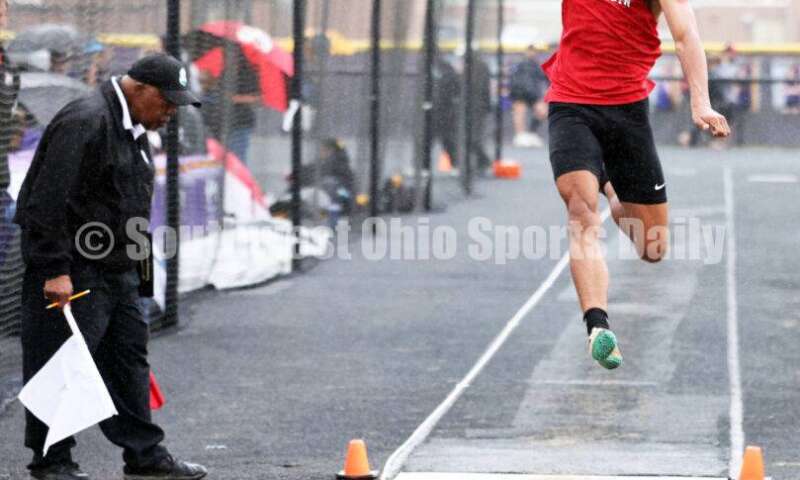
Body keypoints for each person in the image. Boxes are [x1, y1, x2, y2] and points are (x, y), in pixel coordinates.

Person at [14, 54, 207, 480]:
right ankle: (51, 462)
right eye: (167, 102)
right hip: (76, 271)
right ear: (139, 89)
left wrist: (143, 277)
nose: (172, 112)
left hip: (117, 271)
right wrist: (53, 270)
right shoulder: (86, 120)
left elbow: (134, 203)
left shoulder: (134, 126)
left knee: (128, 360)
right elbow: (45, 201)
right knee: (60, 363)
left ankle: (144, 454)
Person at [542, 0, 730, 369]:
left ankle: (612, 188)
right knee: (581, 211)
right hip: (571, 104)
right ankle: (597, 326)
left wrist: (701, 103)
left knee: (653, 247)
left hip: (626, 112)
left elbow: (685, 33)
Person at [509, 45, 547, 148]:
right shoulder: (519, 64)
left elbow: (545, 78)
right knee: (519, 113)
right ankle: (519, 136)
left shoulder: (536, 65)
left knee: (542, 111)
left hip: (533, 93)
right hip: (519, 92)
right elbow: (512, 78)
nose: (531, 53)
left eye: (533, 51)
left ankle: (531, 133)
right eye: (529, 51)